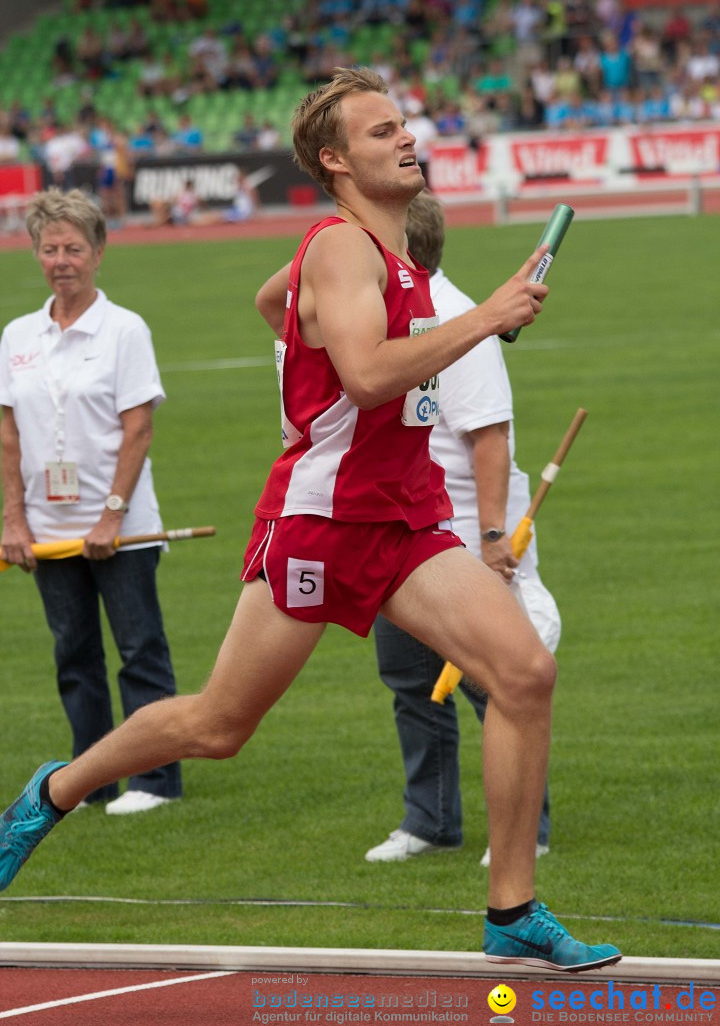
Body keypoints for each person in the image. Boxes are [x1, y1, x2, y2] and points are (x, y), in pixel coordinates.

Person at [0, 70, 621, 974]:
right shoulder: (338, 247)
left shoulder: (382, 254)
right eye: (380, 132)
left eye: (404, 125)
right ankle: (49, 794)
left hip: (407, 518)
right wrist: (485, 316)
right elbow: (368, 377)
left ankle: (513, 909)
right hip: (325, 520)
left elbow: (273, 306)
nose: (405, 138)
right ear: (334, 161)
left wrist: (305, 330)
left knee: (523, 673)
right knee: (218, 727)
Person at [365, 190, 559, 866]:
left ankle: (525, 826)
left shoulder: (456, 320)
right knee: (409, 678)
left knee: (494, 680)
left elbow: (488, 438)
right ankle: (430, 819)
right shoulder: (402, 318)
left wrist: (491, 535)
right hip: (401, 531)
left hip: (458, 537)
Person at [0, 188, 182, 816]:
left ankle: (154, 778)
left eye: (74, 248)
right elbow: (8, 435)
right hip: (48, 531)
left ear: (98, 252)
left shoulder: (125, 329)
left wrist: (111, 513)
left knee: (139, 651)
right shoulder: (18, 335)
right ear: (36, 255)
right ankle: (90, 779)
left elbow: (138, 430)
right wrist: (14, 520)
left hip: (120, 528)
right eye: (49, 249)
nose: (61, 260)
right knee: (73, 654)